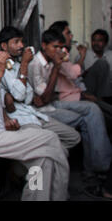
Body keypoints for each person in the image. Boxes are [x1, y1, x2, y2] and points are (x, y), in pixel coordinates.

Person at [0, 19, 69, 201]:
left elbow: (1, 101)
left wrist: (5, 117)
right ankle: (60, 197)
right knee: (52, 140)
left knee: (42, 161)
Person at [28, 29, 112, 178]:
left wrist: (51, 91)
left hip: (54, 102)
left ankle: (94, 167)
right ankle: (98, 167)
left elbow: (49, 95)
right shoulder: (36, 64)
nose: (58, 51)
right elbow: (46, 98)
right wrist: (57, 68)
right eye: (55, 47)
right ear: (44, 45)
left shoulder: (52, 61)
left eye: (61, 47)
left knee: (93, 111)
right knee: (89, 113)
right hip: (46, 109)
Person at [0, 26, 80, 151]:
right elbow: (20, 95)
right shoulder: (1, 67)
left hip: (33, 113)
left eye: (22, 41)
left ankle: (54, 154)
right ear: (4, 46)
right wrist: (25, 65)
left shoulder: (18, 65)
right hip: (21, 119)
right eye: (16, 42)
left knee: (74, 137)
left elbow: (28, 97)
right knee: (50, 142)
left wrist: (15, 96)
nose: (21, 45)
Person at [78, 29, 112, 103]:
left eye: (100, 41)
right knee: (102, 63)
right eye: (93, 40)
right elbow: (76, 77)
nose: (96, 43)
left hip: (106, 88)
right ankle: (103, 101)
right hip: (88, 87)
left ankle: (104, 101)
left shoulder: (110, 55)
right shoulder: (84, 55)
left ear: (105, 43)